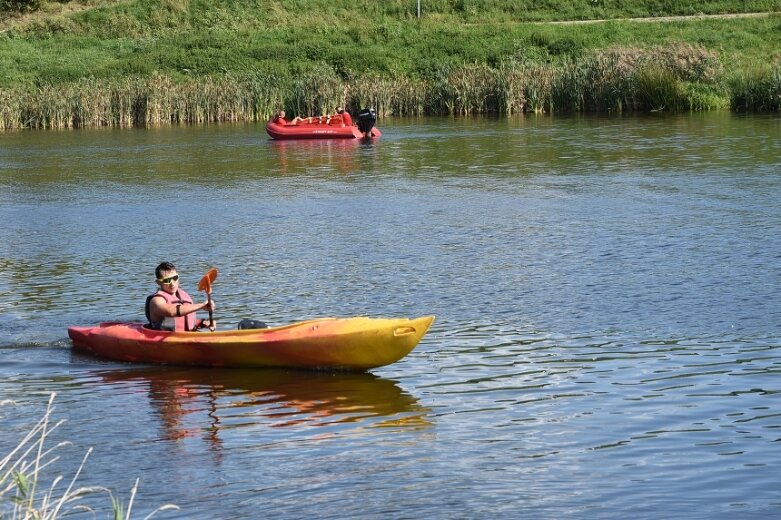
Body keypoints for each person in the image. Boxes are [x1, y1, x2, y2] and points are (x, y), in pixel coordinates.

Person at [145, 262, 216, 331]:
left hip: (187, 336)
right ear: (158, 282)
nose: (172, 284)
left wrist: (202, 323)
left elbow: (184, 320)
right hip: (166, 339)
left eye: (175, 278)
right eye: (167, 280)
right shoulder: (156, 301)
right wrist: (201, 306)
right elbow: (171, 312)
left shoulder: (184, 296)